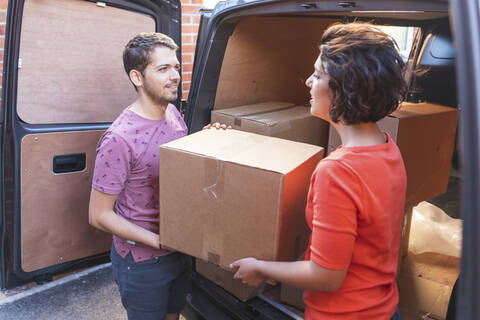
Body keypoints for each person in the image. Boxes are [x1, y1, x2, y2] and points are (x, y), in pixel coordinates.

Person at [230, 22, 408, 320]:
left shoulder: (337, 171)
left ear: (345, 87)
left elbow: (327, 276)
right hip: (385, 309)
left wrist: (259, 268)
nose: (308, 82)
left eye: (318, 75)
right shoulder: (388, 147)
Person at [88, 32, 227, 320]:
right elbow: (99, 215)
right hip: (142, 262)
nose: (174, 75)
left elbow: (177, 167)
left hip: (179, 248)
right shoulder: (119, 138)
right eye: (163, 69)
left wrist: (204, 141)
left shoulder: (174, 114)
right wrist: (159, 240)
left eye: (176, 67)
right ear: (137, 77)